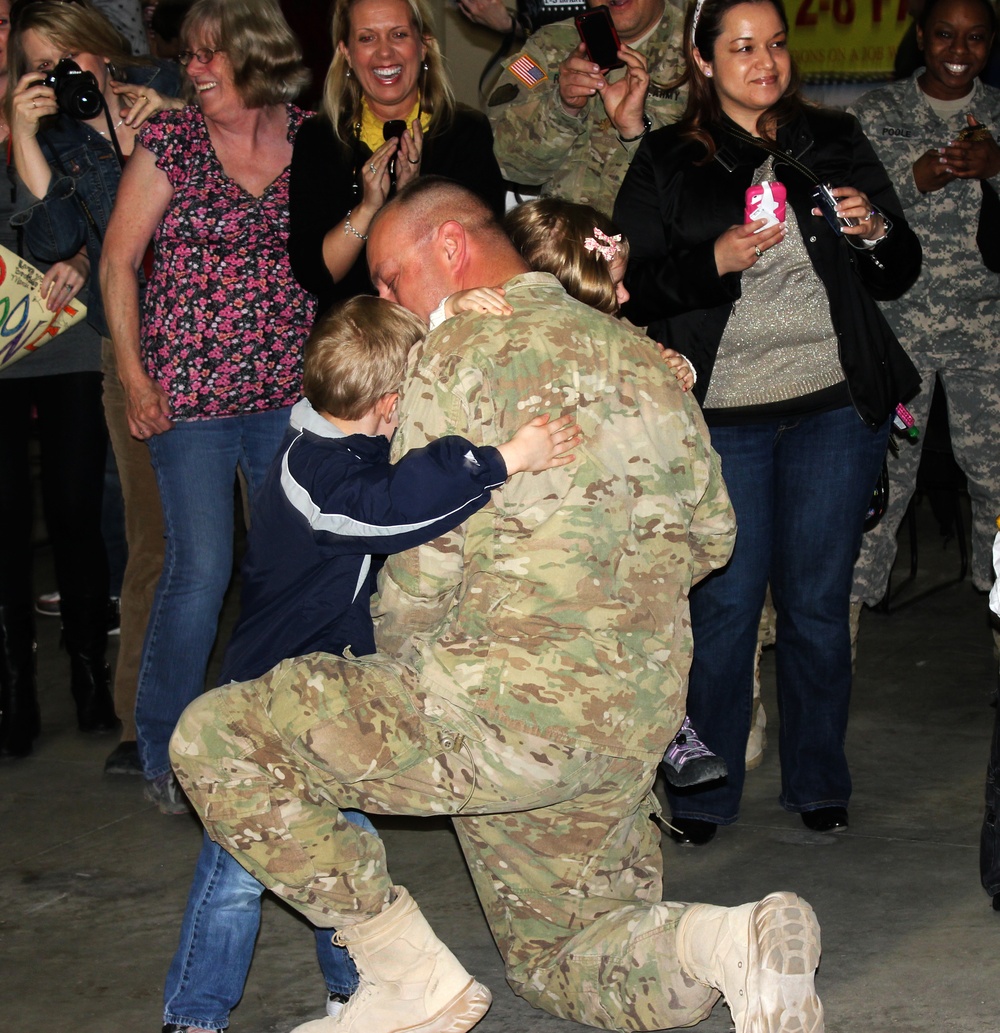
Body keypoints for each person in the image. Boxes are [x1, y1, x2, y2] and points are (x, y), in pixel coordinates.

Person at [170, 177, 826, 1033]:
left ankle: (404, 973)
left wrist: (407, 691)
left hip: (493, 715)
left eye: (390, 278)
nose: (384, 300)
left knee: (219, 733)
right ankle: (729, 942)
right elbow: (713, 535)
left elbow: (419, 576)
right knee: (565, 954)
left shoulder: (448, 359)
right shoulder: (646, 359)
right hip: (632, 719)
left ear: (448, 248)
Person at [162, 293, 581, 1033]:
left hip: (329, 698)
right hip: (266, 707)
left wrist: (451, 314)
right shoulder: (315, 476)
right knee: (236, 872)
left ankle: (357, 990)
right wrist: (506, 460)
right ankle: (193, 1016)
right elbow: (393, 505)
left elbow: (384, 358)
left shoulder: (336, 429)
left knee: (337, 851)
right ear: (389, 405)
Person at [614, 0, 922, 844]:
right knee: (725, 608)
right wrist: (712, 261)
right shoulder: (670, 155)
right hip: (723, 417)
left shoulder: (833, 137)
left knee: (818, 604)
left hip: (833, 405)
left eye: (777, 44)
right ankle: (706, 793)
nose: (766, 62)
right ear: (704, 61)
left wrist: (873, 228)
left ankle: (819, 778)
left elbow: (900, 267)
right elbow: (629, 282)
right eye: (742, 47)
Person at [99, 0, 314, 812]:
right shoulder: (175, 141)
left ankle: (265, 738)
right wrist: (134, 374)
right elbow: (119, 262)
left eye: (208, 56)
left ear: (256, 56)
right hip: (188, 396)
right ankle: (162, 750)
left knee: (283, 569)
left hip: (286, 394)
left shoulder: (306, 137)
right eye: (188, 56)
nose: (192, 71)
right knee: (201, 571)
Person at [5, 0, 182, 764]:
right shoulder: (58, 136)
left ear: (103, 47)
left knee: (257, 534)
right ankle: (137, 722)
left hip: (223, 337)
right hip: (127, 346)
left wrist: (173, 119)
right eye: (42, 66)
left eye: (70, 57)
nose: (62, 76)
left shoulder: (171, 85)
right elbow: (51, 240)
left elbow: (269, 148)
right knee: (153, 543)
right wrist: (26, 138)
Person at [849, 0, 1000, 624]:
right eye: (944, 34)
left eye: (975, 37)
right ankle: (845, 620)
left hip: (987, 330)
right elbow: (839, 211)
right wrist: (911, 180)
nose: (958, 50)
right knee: (880, 481)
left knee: (995, 474)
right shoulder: (876, 112)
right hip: (897, 330)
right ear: (920, 36)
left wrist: (997, 167)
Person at [287, 0, 505, 315]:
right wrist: (367, 208)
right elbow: (315, 275)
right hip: (354, 342)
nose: (384, 53)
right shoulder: (319, 138)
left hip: (444, 335)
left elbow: (481, 256)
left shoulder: (465, 131)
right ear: (346, 52)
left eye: (398, 34)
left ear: (424, 45)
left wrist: (411, 196)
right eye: (367, 38)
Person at [486, 0, 686, 214]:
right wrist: (562, 108)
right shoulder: (548, 44)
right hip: (564, 240)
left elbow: (701, 189)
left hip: (655, 242)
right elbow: (507, 164)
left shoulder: (700, 51)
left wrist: (638, 130)